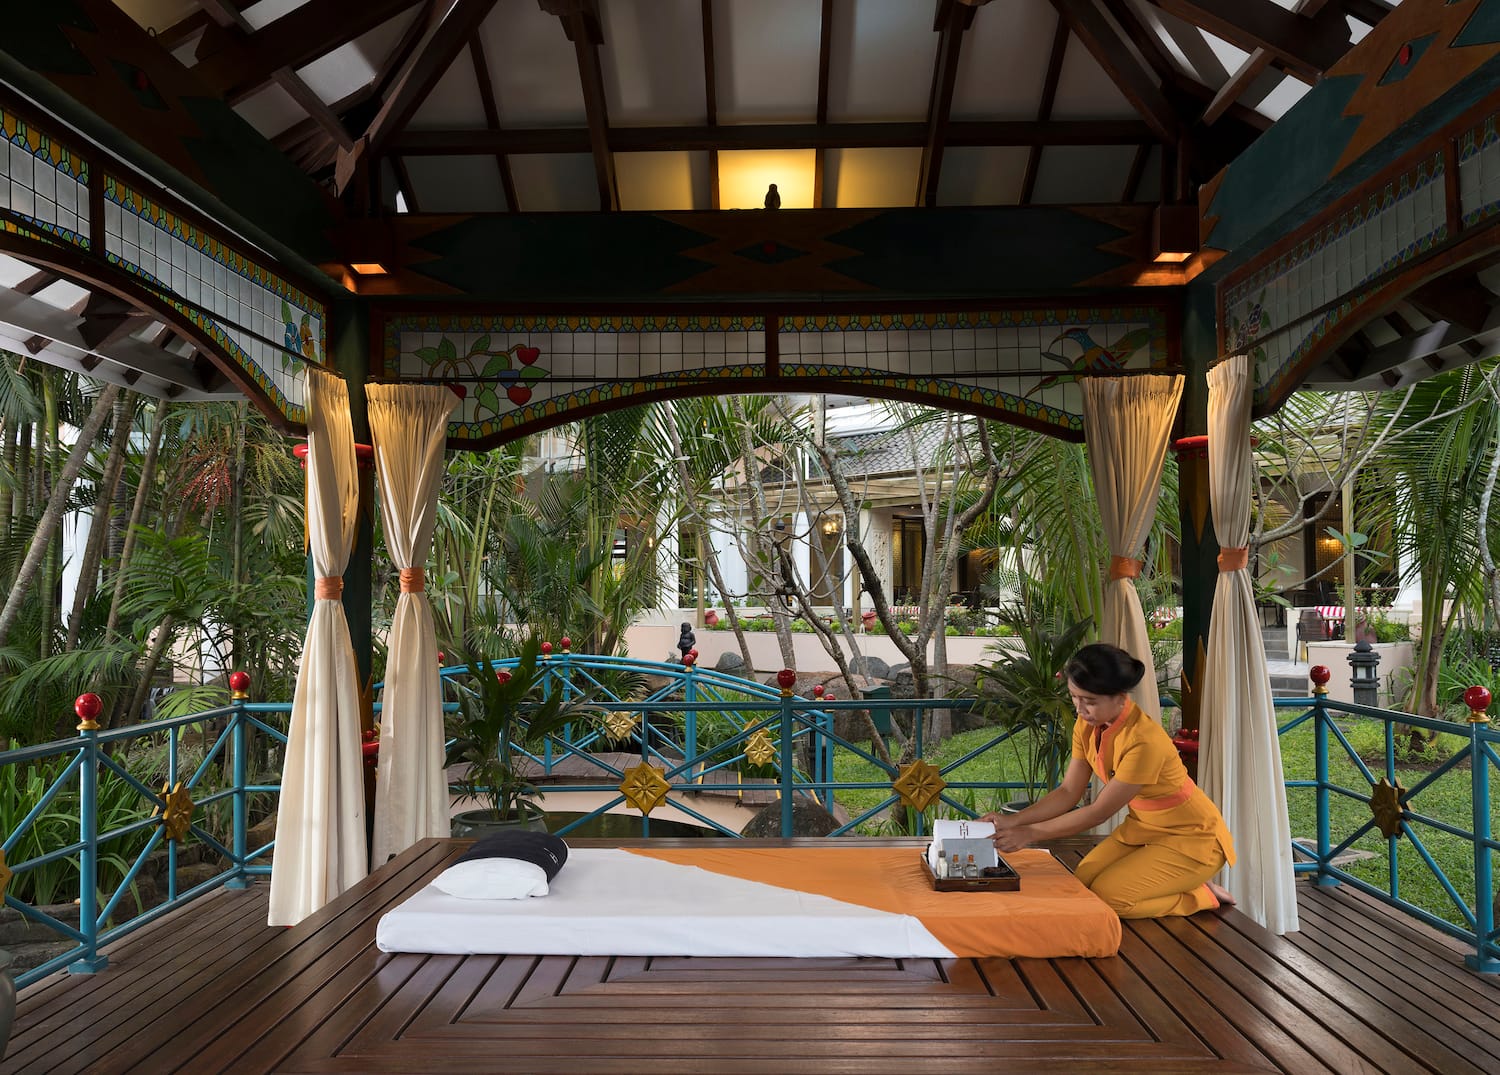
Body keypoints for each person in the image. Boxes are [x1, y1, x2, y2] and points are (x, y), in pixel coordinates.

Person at [980, 642, 1236, 918]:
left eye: (1089, 701)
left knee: (1109, 898)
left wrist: (1030, 833)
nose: (1079, 709)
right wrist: (1012, 821)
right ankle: (1179, 881)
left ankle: (1200, 895)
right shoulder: (1087, 725)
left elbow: (1098, 813)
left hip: (1193, 838)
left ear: (1120, 697)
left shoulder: (1144, 741)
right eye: (1074, 697)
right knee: (1083, 884)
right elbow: (1068, 791)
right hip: (1143, 830)